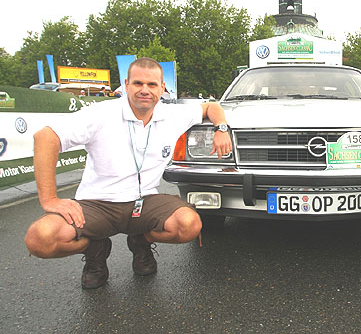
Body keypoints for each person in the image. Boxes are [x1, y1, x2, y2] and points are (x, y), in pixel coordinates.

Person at [24, 57, 233, 289]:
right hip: (96, 204)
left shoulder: (172, 114)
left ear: (162, 88)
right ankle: (95, 250)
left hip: (144, 202)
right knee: (39, 239)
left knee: (189, 225)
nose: (145, 90)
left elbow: (211, 107)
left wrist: (221, 128)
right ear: (126, 84)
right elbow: (45, 137)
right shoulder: (101, 114)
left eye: (152, 85)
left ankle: (141, 240)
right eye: (138, 83)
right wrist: (50, 199)